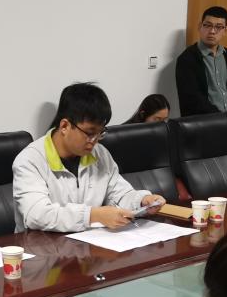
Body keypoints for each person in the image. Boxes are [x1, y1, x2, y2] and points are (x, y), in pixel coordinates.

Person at [12, 82, 167, 232]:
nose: (95, 141)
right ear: (65, 126)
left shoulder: (99, 154)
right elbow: (37, 215)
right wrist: (92, 215)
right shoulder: (30, 160)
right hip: (41, 245)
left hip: (89, 242)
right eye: (90, 133)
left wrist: (142, 201)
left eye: (100, 133)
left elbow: (119, 194)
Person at [174, 6, 227, 116]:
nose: (212, 31)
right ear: (200, 26)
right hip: (203, 122)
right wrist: (220, 118)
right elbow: (192, 99)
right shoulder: (187, 59)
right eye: (207, 25)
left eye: (218, 27)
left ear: (225, 30)